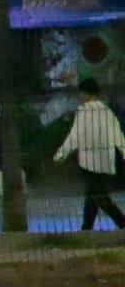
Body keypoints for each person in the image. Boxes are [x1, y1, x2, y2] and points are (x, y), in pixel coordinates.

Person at [53, 77, 125, 231]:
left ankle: (121, 222)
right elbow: (117, 134)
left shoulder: (83, 112)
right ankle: (87, 228)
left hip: (89, 160)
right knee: (93, 193)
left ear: (85, 94)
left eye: (81, 94)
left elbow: (74, 137)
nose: (80, 97)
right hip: (106, 159)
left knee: (97, 195)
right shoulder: (107, 112)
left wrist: (61, 154)